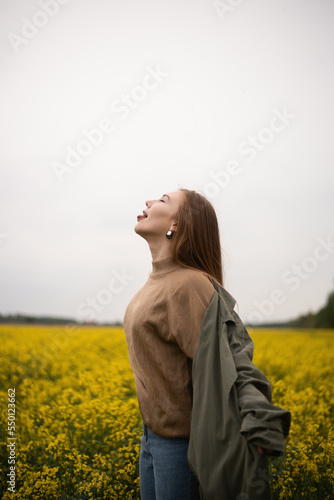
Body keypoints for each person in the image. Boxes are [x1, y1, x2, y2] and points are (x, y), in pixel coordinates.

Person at [123, 189, 290, 500]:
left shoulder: (189, 284)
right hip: (151, 439)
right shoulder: (157, 279)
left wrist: (260, 419)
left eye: (162, 200)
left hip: (180, 448)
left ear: (178, 223)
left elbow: (231, 356)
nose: (148, 201)